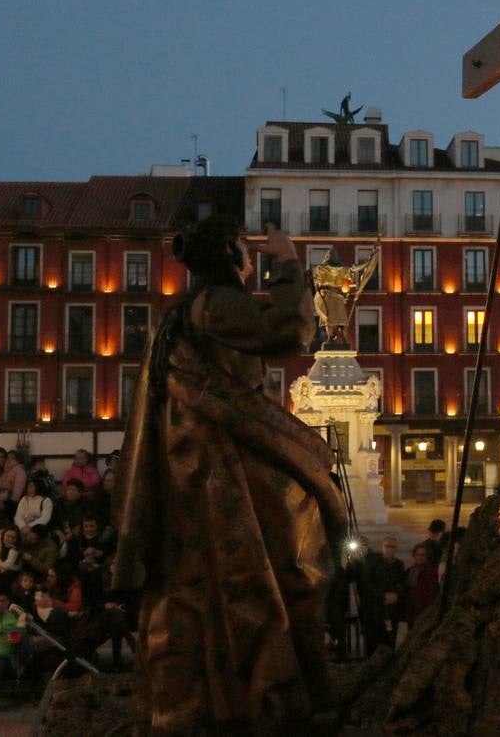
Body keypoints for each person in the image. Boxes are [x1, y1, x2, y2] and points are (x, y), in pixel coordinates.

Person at [112, 217, 347, 734]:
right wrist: (287, 263)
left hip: (198, 467)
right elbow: (292, 330)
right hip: (230, 465)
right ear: (227, 255)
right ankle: (274, 685)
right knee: (291, 561)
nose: (249, 257)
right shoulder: (218, 303)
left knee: (214, 583)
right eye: (244, 249)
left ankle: (225, 690)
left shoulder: (180, 316)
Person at [354, 536, 406, 656]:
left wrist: (395, 594)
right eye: (387, 546)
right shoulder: (372, 563)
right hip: (374, 608)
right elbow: (367, 583)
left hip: (391, 609)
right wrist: (383, 594)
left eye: (392, 547)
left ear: (396, 549)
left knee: (389, 638)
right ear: (382, 547)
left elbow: (402, 582)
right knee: (373, 638)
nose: (389, 549)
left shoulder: (399, 565)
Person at [400, 543, 439, 630]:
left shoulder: (432, 572)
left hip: (425, 611)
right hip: (411, 611)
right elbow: (406, 591)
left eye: (423, 555)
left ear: (427, 556)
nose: (420, 557)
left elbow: (433, 592)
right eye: (417, 554)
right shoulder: (410, 571)